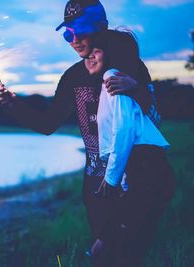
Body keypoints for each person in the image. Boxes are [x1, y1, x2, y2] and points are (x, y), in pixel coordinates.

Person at [0, 0, 162, 266]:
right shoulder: (72, 78)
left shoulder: (130, 66)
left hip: (135, 184)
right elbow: (48, 124)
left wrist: (136, 88)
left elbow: (154, 119)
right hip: (96, 189)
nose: (73, 40)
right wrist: (15, 107)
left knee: (127, 256)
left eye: (79, 30)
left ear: (101, 28)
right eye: (67, 33)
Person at [85, 33, 175, 266]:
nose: (89, 55)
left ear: (112, 56)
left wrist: (112, 178)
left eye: (97, 50)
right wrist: (123, 181)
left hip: (147, 171)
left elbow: (123, 130)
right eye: (89, 51)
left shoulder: (112, 77)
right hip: (145, 171)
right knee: (126, 250)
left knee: (105, 249)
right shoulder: (115, 82)